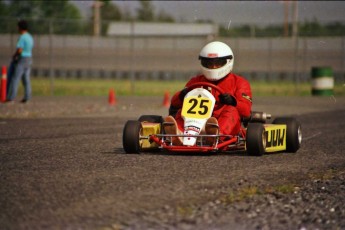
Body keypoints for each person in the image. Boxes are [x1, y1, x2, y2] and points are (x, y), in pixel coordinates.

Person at [164, 41, 252, 145]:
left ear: (228, 62)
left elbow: (246, 111)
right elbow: (174, 103)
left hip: (223, 122)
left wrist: (233, 102)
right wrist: (182, 95)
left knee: (232, 110)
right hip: (194, 123)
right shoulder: (196, 81)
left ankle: (216, 135)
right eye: (209, 63)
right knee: (181, 111)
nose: (213, 67)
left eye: (218, 63)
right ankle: (178, 134)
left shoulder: (239, 82)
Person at [7, 19, 34, 103]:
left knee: (15, 78)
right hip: (29, 58)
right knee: (26, 79)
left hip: (22, 59)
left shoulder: (22, 37)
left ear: (20, 27)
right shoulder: (30, 36)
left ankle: (11, 98)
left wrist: (15, 56)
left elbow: (19, 50)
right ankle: (27, 98)